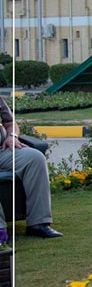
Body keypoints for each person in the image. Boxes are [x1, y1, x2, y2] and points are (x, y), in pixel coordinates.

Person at [0, 97, 62, 238]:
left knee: (35, 158)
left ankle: (38, 223)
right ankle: (0, 231)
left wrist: (12, 136)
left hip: (2, 150)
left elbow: (10, 123)